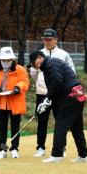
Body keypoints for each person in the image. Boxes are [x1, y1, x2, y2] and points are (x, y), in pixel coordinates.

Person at [27, 50, 87, 163]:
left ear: (40, 58)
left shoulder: (52, 63)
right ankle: (84, 155)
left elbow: (57, 83)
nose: (33, 65)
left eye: (33, 62)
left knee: (61, 124)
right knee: (76, 127)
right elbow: (56, 87)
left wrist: (46, 99)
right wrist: (47, 102)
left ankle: (57, 154)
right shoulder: (48, 67)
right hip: (75, 96)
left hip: (72, 95)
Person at [29, 28, 75, 157]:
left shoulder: (63, 54)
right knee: (42, 121)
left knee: (60, 121)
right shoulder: (39, 53)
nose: (47, 42)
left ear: (56, 39)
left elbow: (71, 72)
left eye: (49, 39)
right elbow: (33, 72)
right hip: (42, 92)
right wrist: (41, 84)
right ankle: (40, 147)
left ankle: (62, 148)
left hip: (59, 94)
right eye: (45, 39)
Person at [0, 47, 29, 159]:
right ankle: (2, 150)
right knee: (2, 128)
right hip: (1, 103)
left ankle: (14, 149)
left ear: (12, 59)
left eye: (8, 60)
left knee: (15, 127)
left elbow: (24, 82)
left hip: (15, 102)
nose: (6, 62)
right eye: (4, 60)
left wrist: (17, 88)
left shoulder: (20, 69)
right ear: (0, 60)